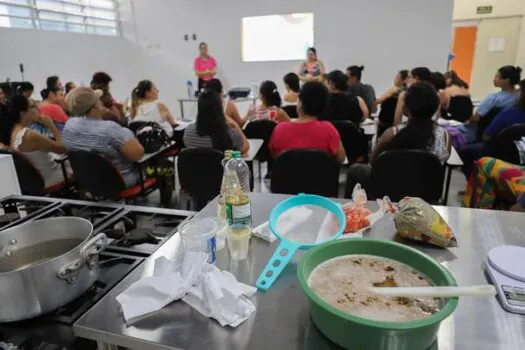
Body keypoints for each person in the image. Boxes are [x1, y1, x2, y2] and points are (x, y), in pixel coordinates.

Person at [347, 83, 451, 191]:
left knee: (355, 169)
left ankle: (352, 206)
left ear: (405, 108)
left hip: (389, 189)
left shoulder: (392, 133)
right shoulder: (445, 136)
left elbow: (374, 162)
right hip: (426, 192)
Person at [63, 87, 144, 186]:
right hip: (120, 181)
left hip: (90, 183)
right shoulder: (109, 129)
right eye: (98, 100)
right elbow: (137, 155)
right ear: (96, 106)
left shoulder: (69, 126)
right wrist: (127, 132)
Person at [0, 95, 71, 189]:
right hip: (55, 177)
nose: (38, 108)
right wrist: (52, 126)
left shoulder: (15, 131)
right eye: (33, 106)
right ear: (23, 113)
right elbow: (64, 149)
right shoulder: (30, 135)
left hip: (40, 179)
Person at [459, 79, 525, 178]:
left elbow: (487, 137)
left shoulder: (509, 113)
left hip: (499, 154)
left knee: (465, 151)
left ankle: (477, 184)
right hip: (521, 161)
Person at [269, 81, 346, 163]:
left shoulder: (280, 129)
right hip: (319, 175)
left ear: (300, 103)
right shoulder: (329, 130)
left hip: (287, 175)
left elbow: (274, 155)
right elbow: (341, 158)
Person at [459, 65, 521, 144]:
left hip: (481, 134)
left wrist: (468, 120)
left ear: (506, 81)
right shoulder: (519, 97)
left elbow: (476, 118)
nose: (493, 79)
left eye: (497, 77)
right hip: (507, 136)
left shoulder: (493, 98)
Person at [183, 90, 249, 153]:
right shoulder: (230, 134)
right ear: (220, 110)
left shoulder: (188, 132)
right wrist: (235, 124)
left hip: (196, 164)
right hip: (221, 165)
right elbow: (245, 148)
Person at [376, 70, 408, 137]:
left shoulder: (394, 89)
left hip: (386, 123)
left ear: (403, 80)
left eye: (397, 77)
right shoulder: (406, 92)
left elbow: (379, 101)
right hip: (395, 123)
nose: (394, 79)